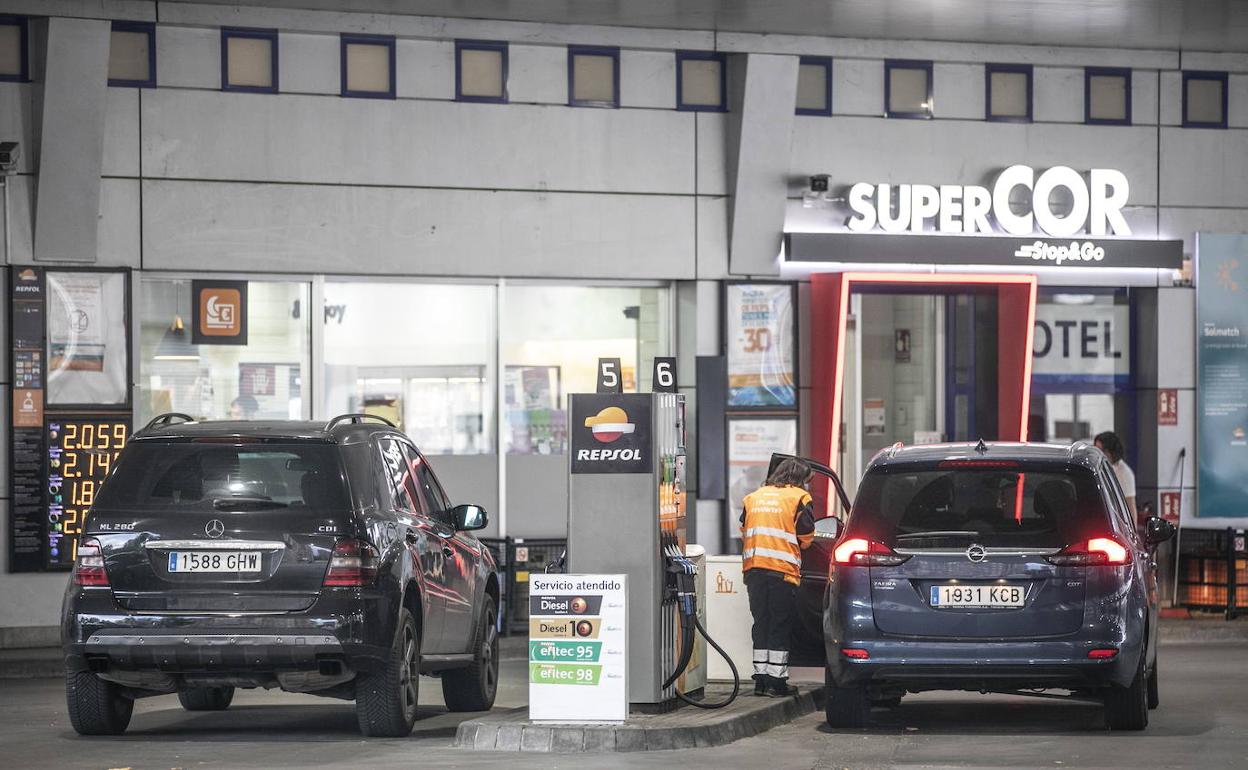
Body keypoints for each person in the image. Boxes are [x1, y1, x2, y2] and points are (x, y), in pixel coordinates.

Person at [739, 458, 816, 698]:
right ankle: (777, 681)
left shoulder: (754, 497)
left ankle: (761, 680)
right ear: (799, 479)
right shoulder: (799, 498)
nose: (808, 486)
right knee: (780, 625)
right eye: (807, 481)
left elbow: (744, 528)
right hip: (781, 569)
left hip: (753, 568)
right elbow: (806, 537)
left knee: (761, 622)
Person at [1094, 431, 1137, 519]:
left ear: (1110, 452)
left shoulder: (1124, 473)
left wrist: (1133, 530)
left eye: (1100, 450)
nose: (1097, 454)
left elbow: (1130, 505)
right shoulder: (1097, 467)